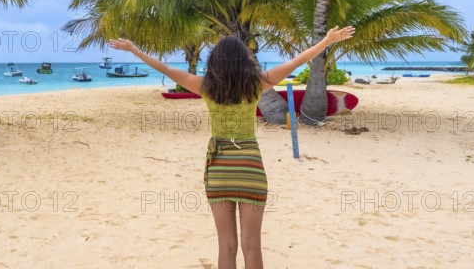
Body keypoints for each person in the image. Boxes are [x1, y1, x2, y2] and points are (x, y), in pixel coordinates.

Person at [109, 25, 355, 269]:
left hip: (219, 170)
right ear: (245, 61)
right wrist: (326, 41)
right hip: (250, 168)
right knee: (252, 245)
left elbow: (166, 69)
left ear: (215, 62)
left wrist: (134, 50)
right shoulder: (257, 85)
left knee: (226, 246)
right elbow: (297, 61)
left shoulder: (206, 87)